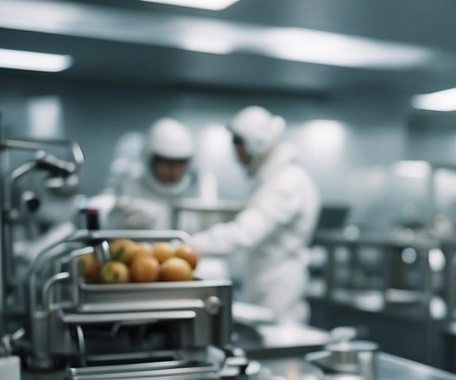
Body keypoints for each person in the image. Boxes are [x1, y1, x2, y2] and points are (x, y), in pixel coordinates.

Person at [189, 106, 321, 325]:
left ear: (255, 144)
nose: (236, 153)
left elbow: (244, 233)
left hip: (278, 288)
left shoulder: (286, 182)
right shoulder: (273, 178)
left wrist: (190, 245)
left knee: (275, 347)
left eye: (238, 144)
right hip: (264, 283)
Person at [104, 117, 197, 230]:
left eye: (180, 163)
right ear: (150, 160)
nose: (175, 170)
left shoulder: (193, 192)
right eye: (168, 163)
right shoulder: (130, 190)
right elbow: (111, 230)